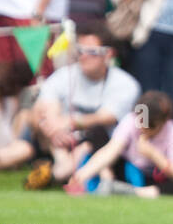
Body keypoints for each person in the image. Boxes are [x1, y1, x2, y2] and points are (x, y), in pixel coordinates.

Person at [28, 27, 141, 183]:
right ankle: (63, 166)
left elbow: (107, 117)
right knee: (37, 116)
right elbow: (46, 105)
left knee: (97, 132)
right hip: (60, 141)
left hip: (100, 144)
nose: (84, 57)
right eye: (80, 51)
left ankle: (62, 172)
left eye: (92, 52)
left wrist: (70, 121)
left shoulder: (126, 83)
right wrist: (55, 128)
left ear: (108, 54)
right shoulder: (64, 74)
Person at [66, 90, 173, 197]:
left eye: (150, 125)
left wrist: (153, 154)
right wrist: (81, 175)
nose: (143, 128)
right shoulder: (130, 121)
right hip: (126, 170)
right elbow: (111, 151)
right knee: (98, 134)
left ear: (164, 121)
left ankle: (134, 192)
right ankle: (110, 183)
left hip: (154, 177)